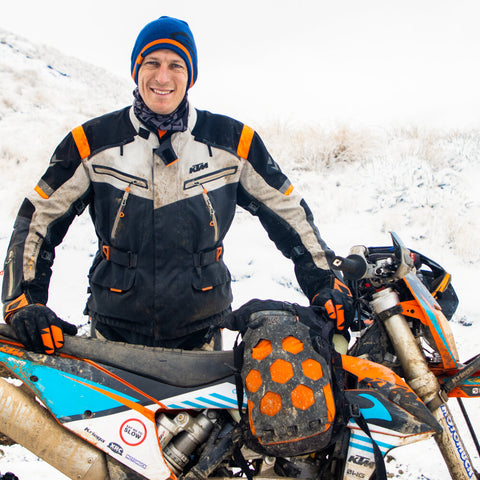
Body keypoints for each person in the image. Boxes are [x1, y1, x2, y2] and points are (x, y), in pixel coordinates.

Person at [1, 16, 353, 354]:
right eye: (151, 63)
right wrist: (24, 302)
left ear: (191, 76)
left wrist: (324, 282)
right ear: (136, 70)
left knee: (204, 419)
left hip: (200, 332)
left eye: (176, 65)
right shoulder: (91, 141)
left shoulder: (234, 141)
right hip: (113, 331)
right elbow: (37, 219)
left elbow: (290, 215)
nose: (163, 76)